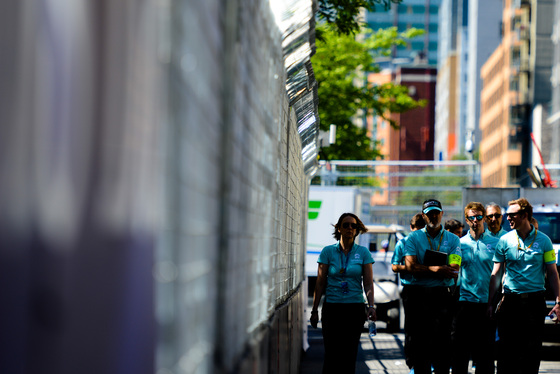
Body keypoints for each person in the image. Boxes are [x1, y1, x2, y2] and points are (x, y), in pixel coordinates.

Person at [487, 198, 560, 374]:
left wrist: (558, 301)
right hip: (510, 302)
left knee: (531, 352)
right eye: (507, 215)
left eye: (512, 215)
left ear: (525, 215)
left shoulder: (545, 241)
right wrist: (490, 302)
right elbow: (496, 274)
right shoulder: (504, 241)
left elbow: (552, 273)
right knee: (506, 352)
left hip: (534, 303)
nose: (508, 218)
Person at [310, 212, 376, 374]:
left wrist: (371, 306)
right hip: (332, 308)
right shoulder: (327, 252)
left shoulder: (363, 253)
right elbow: (320, 282)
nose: (350, 228)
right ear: (339, 228)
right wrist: (314, 310)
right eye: (346, 225)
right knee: (332, 354)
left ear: (357, 230)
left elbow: (367, 282)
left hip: (354, 309)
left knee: (349, 353)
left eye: (353, 226)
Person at [403, 199, 462, 374]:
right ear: (423, 216)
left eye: (436, 212)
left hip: (442, 296)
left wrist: (424, 269)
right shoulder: (413, 238)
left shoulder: (453, 239)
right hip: (418, 295)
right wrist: (436, 269)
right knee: (420, 347)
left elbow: (453, 269)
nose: (433, 216)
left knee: (442, 346)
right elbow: (410, 267)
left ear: (442, 214)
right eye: (429, 213)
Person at [451, 202, 500, 374]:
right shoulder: (458, 243)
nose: (475, 221)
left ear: (484, 219)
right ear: (466, 220)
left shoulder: (496, 243)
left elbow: (503, 273)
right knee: (459, 354)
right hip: (464, 303)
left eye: (479, 217)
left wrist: (494, 302)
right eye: (471, 217)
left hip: (486, 304)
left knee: (485, 356)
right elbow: (454, 271)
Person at [391, 212, 425, 370]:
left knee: (427, 327)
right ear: (411, 228)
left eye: (422, 228)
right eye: (416, 228)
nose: (419, 232)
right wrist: (412, 267)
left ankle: (425, 361)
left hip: (427, 288)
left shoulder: (428, 243)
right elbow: (394, 265)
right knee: (411, 327)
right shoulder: (403, 243)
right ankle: (411, 361)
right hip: (410, 288)